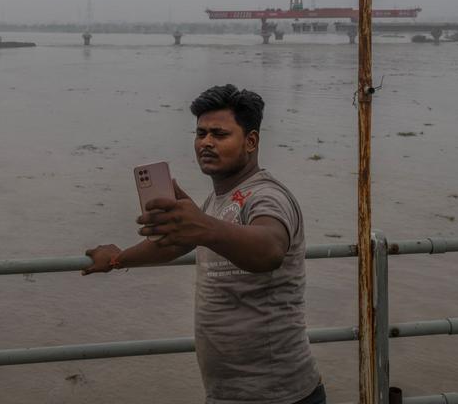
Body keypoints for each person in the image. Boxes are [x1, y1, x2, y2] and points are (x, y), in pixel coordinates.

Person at [83, 84, 324, 404]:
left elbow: (270, 250)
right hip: (228, 393)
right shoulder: (218, 200)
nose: (206, 143)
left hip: (279, 394)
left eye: (219, 134)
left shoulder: (267, 196)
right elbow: (177, 244)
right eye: (200, 133)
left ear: (250, 141)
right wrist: (117, 259)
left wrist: (203, 226)